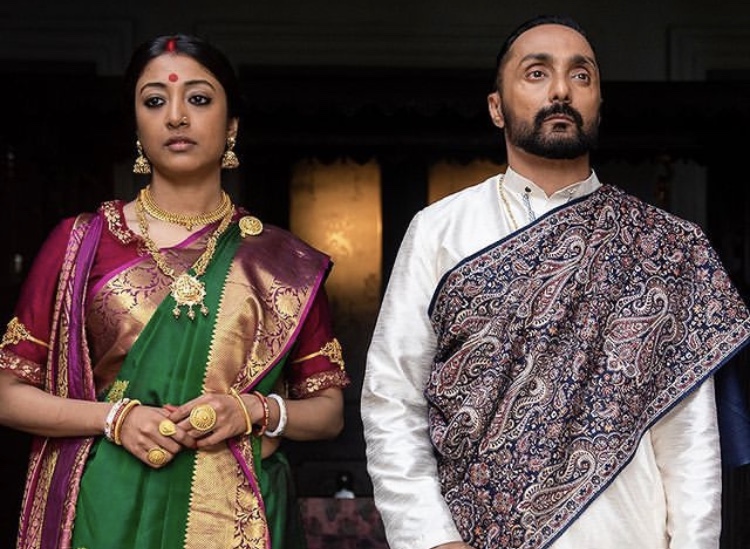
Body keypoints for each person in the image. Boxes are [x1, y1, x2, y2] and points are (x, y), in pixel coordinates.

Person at [361, 14, 750, 549]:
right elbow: (393, 397)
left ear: (599, 103)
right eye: (537, 73)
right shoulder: (439, 231)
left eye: (580, 75)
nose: (562, 90)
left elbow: (689, 436)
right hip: (472, 536)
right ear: (496, 106)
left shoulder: (667, 247)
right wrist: (431, 538)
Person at [0, 33, 350, 549]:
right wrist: (115, 418)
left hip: (238, 517)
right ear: (136, 125)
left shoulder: (281, 262)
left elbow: (328, 412)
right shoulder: (81, 244)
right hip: (106, 513)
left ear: (232, 126)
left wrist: (253, 410)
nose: (177, 117)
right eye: (154, 101)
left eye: (199, 99)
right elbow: (9, 394)